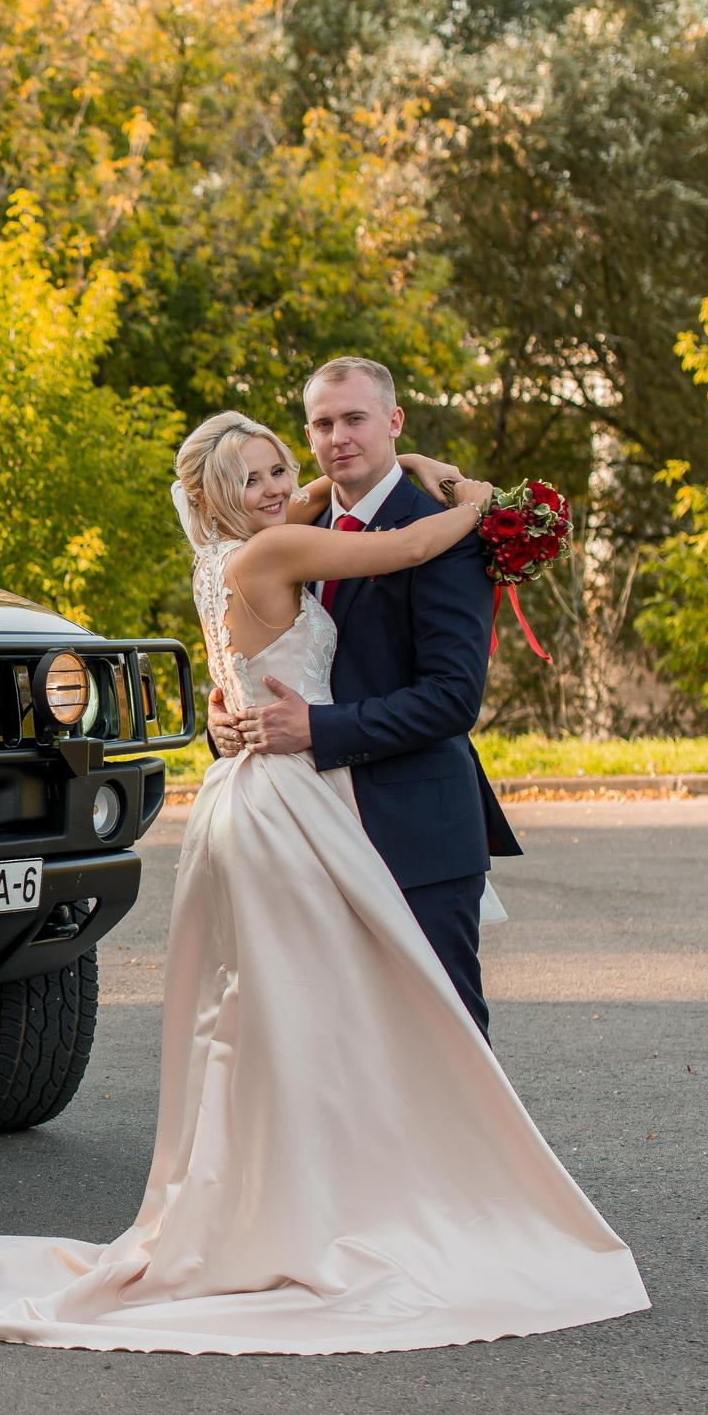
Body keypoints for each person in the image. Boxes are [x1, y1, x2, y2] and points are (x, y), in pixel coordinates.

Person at [0, 409, 647, 1354]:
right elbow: (411, 541)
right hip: (288, 801)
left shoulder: (225, 557)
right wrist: (482, 501)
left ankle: (291, 1198)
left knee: (262, 1020)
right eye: (255, 476)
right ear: (221, 494)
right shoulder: (278, 552)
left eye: (280, 469)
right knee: (323, 1008)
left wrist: (405, 460)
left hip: (241, 797)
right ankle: (334, 1208)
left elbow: (311, 506)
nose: (277, 486)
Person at [208, 356, 519, 1038]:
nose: (339, 436)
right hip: (308, 835)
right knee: (342, 1049)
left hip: (416, 833)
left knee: (444, 1042)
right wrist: (228, 715)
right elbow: (257, 657)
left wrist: (315, 729)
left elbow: (451, 698)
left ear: (393, 422)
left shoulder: (444, 530)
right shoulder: (291, 528)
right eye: (323, 423)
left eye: (355, 418)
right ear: (309, 437)